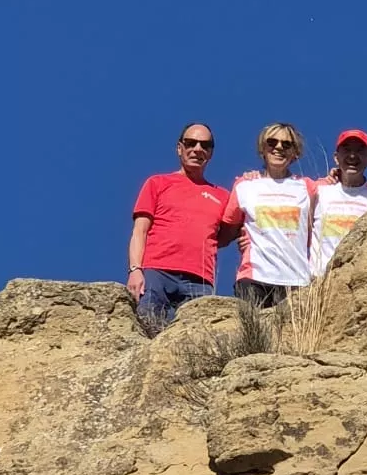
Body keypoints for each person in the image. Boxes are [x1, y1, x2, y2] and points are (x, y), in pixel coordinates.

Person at [127, 124, 233, 327]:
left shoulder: (222, 196)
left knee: (197, 340)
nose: (197, 149)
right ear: (179, 148)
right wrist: (135, 269)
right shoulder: (158, 183)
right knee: (147, 328)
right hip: (157, 271)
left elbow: (228, 234)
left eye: (205, 145)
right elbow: (140, 230)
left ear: (211, 153)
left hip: (199, 278)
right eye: (190, 143)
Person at [220, 123, 313, 307]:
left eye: (287, 145)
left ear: (295, 153)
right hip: (254, 278)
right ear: (263, 148)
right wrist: (241, 235)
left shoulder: (309, 187)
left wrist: (336, 173)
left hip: (296, 280)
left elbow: (339, 192)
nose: (278, 147)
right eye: (272, 142)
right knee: (253, 334)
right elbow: (225, 231)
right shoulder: (244, 185)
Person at [309, 129, 367, 276]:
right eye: (347, 150)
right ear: (336, 158)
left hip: (361, 280)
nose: (352, 156)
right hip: (318, 282)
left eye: (360, 151)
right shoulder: (318, 190)